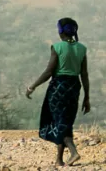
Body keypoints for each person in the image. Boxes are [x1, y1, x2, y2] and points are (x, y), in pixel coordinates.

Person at [25, 18, 91, 167]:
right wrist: (87, 97)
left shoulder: (57, 47)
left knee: (58, 121)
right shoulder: (82, 48)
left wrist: (32, 87)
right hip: (74, 87)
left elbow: (49, 72)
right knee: (65, 122)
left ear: (60, 31)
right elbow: (84, 74)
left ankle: (73, 152)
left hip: (59, 87)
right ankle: (59, 160)